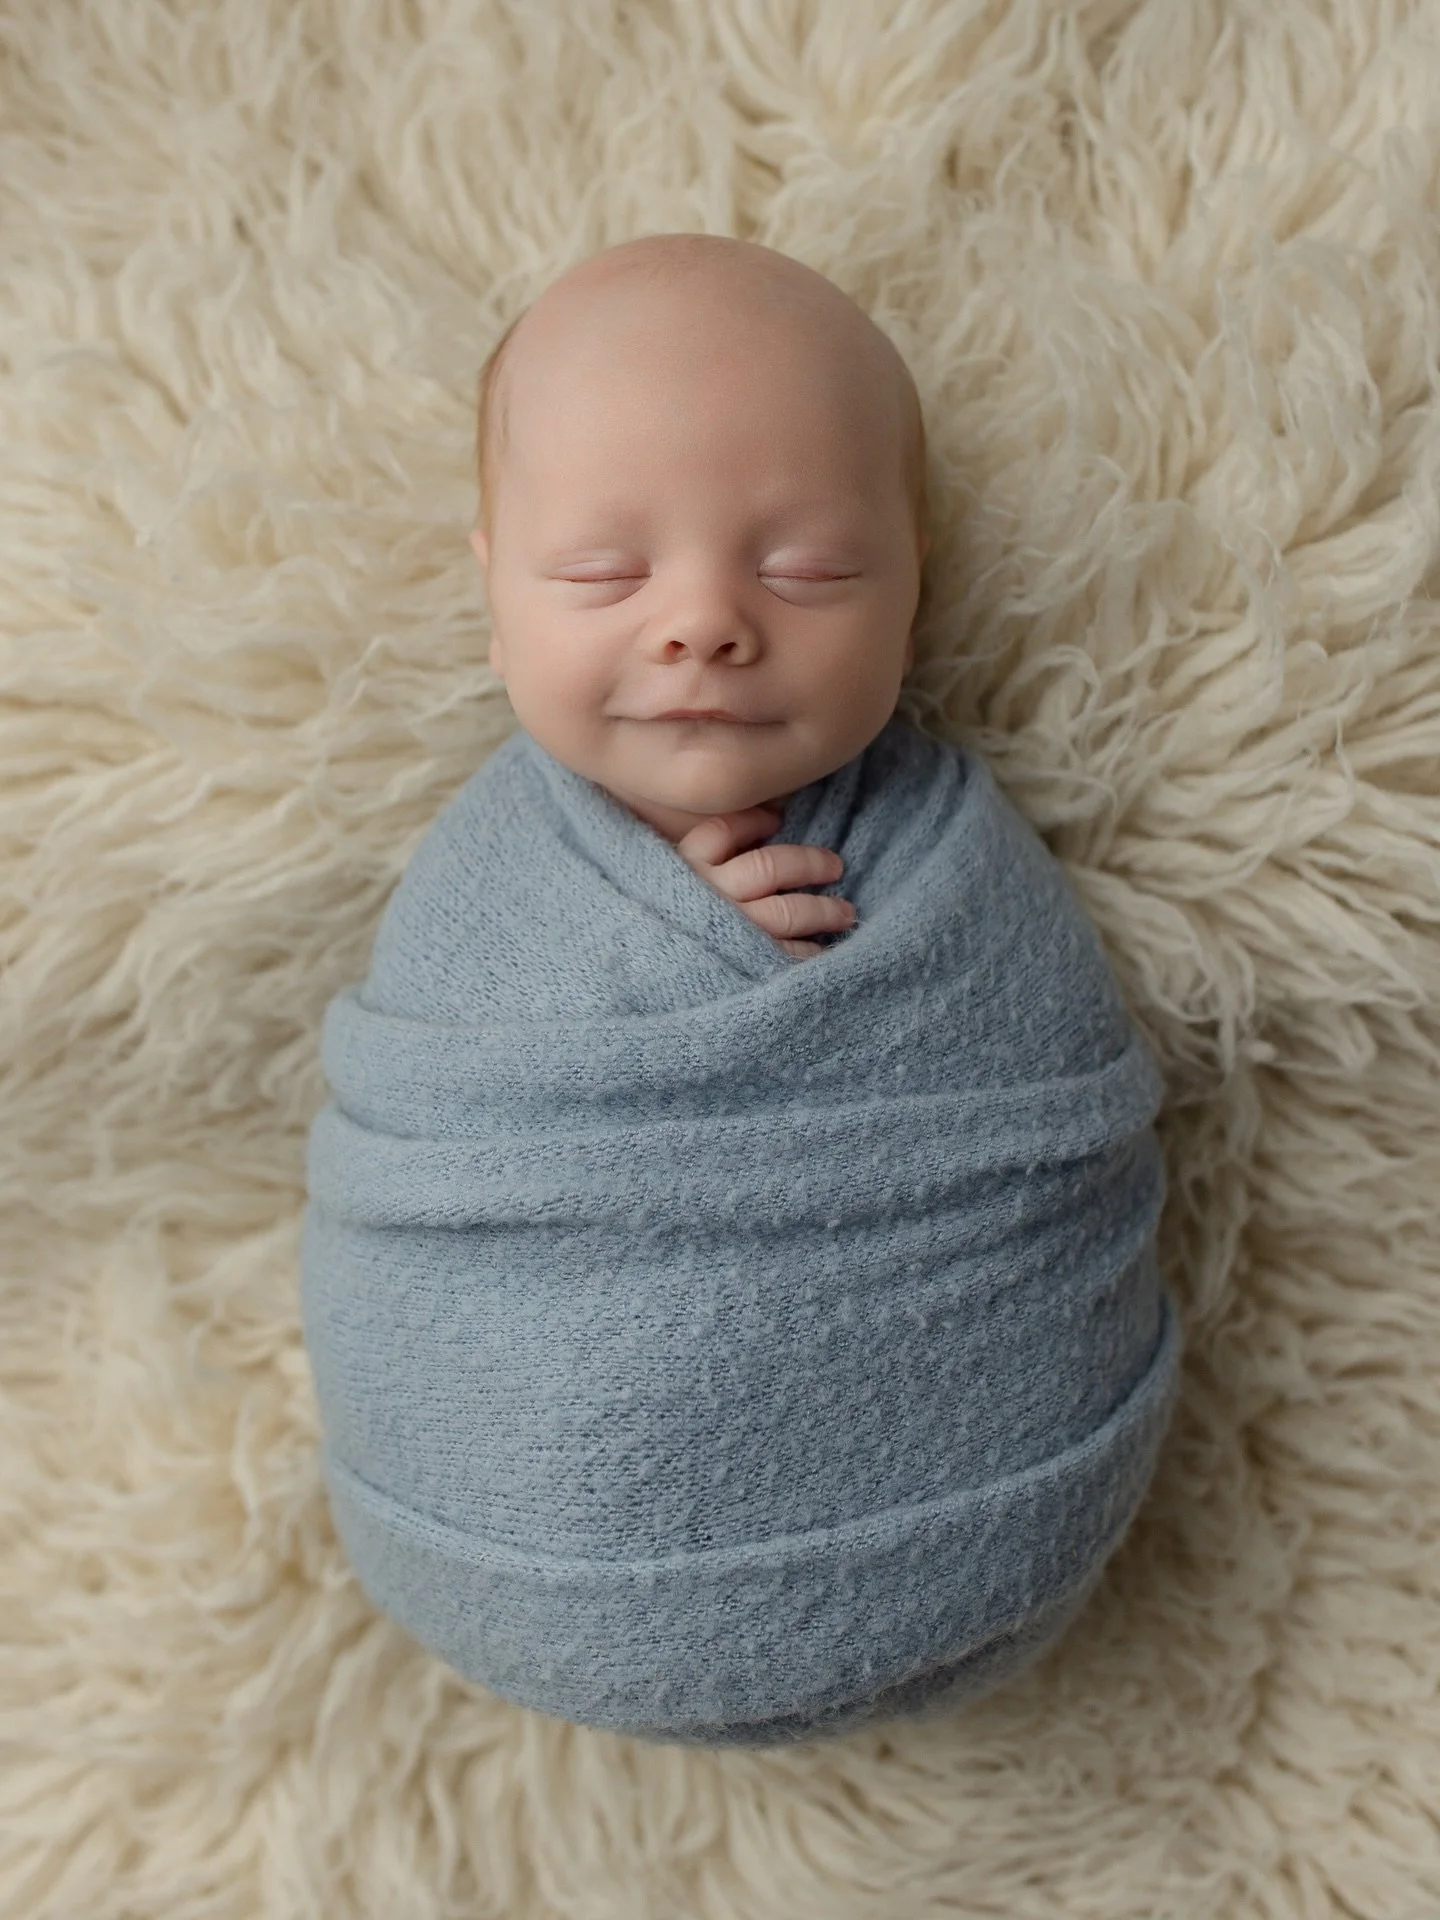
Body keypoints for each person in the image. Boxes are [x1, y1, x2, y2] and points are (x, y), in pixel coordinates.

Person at [469, 231, 929, 958]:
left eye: (805, 571)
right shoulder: (482, 870)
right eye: (603, 573)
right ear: (495, 605)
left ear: (911, 606)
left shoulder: (944, 844)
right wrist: (662, 954)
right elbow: (425, 1069)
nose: (704, 623)